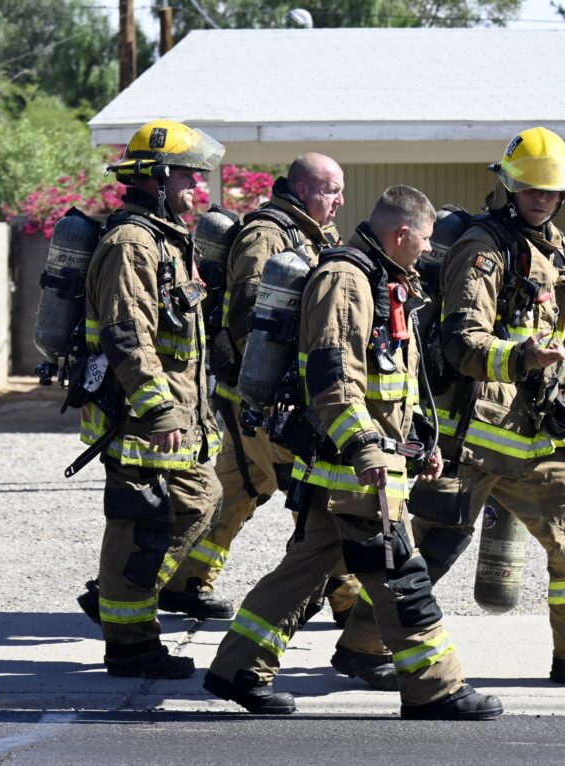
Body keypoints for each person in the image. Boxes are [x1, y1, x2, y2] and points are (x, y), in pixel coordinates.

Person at [204, 185, 504, 720]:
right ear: (402, 233)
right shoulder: (346, 280)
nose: (429, 250)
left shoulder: (384, 278)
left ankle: (237, 670)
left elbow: (393, 383)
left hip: (358, 466)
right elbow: (334, 378)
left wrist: (419, 444)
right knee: (400, 576)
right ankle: (435, 690)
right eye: (426, 240)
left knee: (303, 572)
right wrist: (367, 449)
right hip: (355, 470)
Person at [408, 126, 565, 686]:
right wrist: (522, 357)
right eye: (530, 187)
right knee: (434, 544)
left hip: (531, 433)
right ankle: (367, 643)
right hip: (471, 435)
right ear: (509, 187)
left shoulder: (547, 245)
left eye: (550, 189)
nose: (540, 198)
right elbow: (462, 341)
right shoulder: (482, 248)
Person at [159, 154, 363, 631]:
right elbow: (249, 316)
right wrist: (279, 388)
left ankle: (183, 578)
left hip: (261, 400)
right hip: (265, 399)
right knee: (319, 496)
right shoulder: (266, 235)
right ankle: (350, 599)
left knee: (236, 490)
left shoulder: (315, 234)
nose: (340, 200)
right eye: (332, 189)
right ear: (301, 188)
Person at [80, 119, 225, 678]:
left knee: (200, 500)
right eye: (189, 175)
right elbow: (126, 334)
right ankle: (130, 645)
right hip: (139, 417)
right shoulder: (132, 244)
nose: (197, 185)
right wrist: (159, 407)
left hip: (172, 413)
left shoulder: (167, 238)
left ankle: (117, 598)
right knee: (138, 526)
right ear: (157, 176)